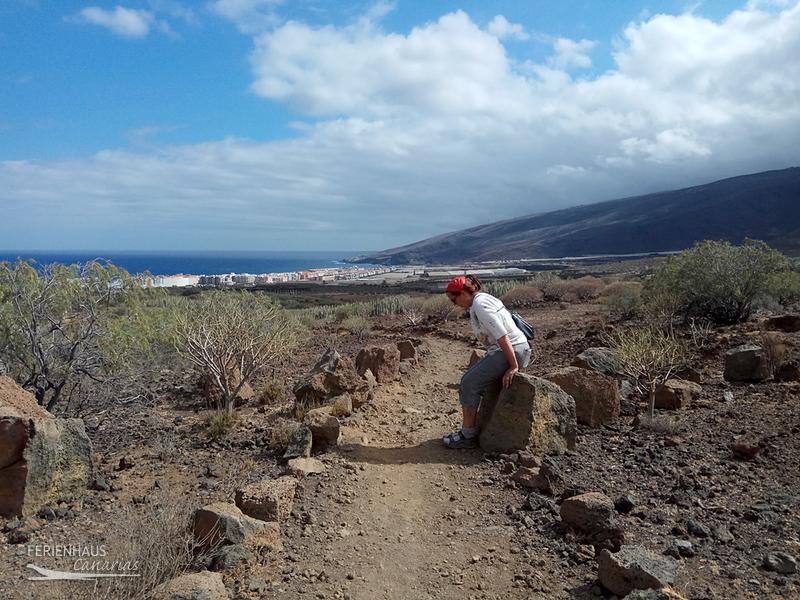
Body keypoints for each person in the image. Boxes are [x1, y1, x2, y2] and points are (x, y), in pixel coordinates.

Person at [442, 274, 532, 449]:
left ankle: (467, 436)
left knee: (468, 383)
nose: (455, 304)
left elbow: (502, 336)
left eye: (454, 299)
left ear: (463, 293)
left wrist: (513, 366)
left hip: (511, 350)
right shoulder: (483, 299)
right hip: (515, 348)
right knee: (475, 378)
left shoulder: (480, 305)